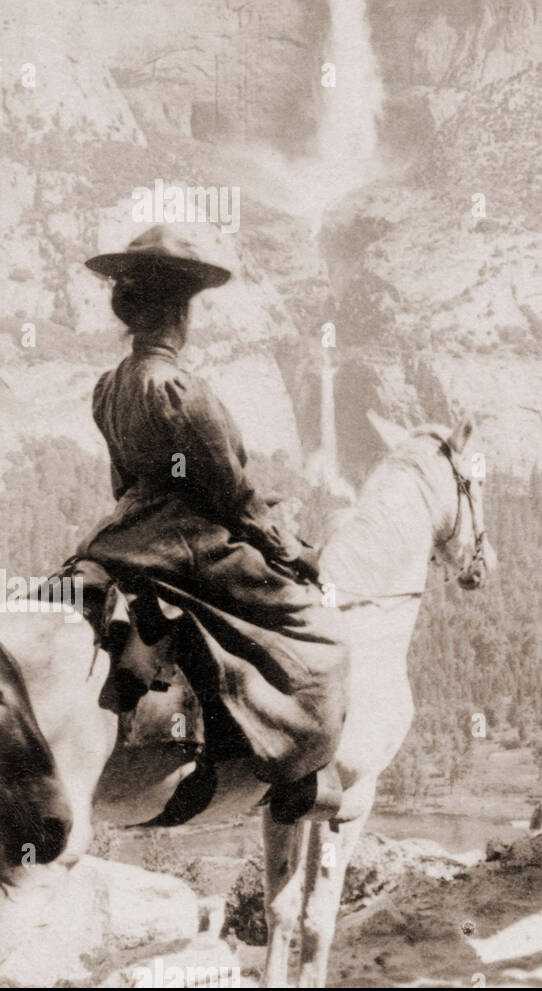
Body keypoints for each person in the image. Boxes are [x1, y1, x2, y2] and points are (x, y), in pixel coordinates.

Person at [76, 226, 348, 824]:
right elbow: (227, 489)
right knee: (320, 641)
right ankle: (296, 777)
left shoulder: (110, 385)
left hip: (121, 536)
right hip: (189, 545)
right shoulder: (174, 384)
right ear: (178, 313)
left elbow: (124, 481)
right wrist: (290, 547)